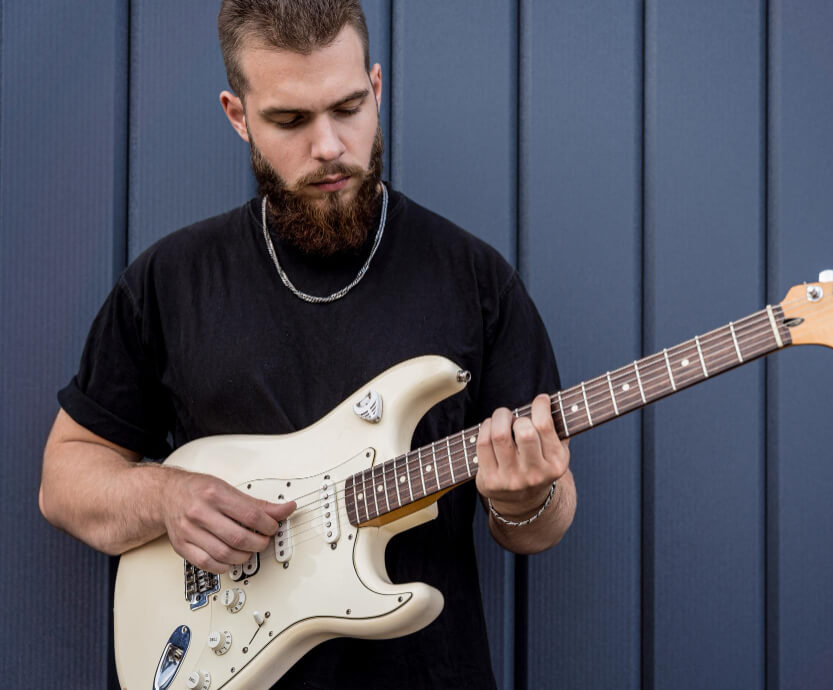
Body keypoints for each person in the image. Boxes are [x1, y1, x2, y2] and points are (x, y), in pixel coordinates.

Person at [37, 1, 576, 687]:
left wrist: (524, 498)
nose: (328, 146)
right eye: (290, 120)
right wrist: (166, 496)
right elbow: (65, 479)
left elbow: (541, 526)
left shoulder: (472, 279)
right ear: (239, 115)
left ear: (376, 89)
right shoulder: (170, 281)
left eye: (348, 108)